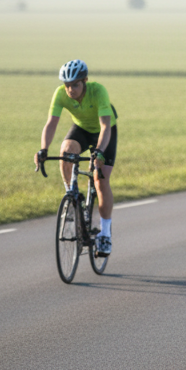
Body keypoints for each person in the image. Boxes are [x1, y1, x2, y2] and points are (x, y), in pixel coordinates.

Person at [34, 60, 118, 255]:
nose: (70, 89)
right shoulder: (60, 94)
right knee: (65, 152)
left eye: (75, 85)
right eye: (67, 85)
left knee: (100, 180)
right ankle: (72, 197)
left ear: (85, 81)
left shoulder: (98, 92)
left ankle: (105, 234)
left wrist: (98, 152)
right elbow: (51, 124)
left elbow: (105, 126)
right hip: (81, 128)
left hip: (104, 132)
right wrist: (43, 149)